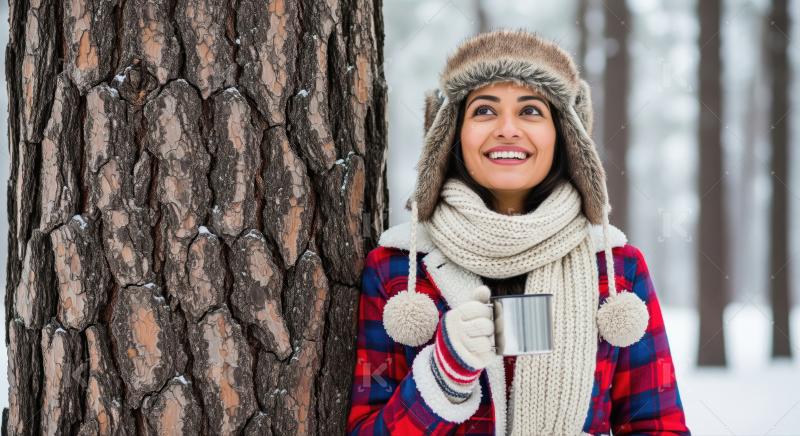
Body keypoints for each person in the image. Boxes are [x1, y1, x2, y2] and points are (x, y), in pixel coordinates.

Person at [347, 29, 690, 435]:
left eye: (530, 111)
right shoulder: (397, 270)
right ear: (450, 135)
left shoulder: (617, 271)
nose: (507, 129)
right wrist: (444, 376)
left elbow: (659, 426)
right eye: (484, 111)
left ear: (565, 136)